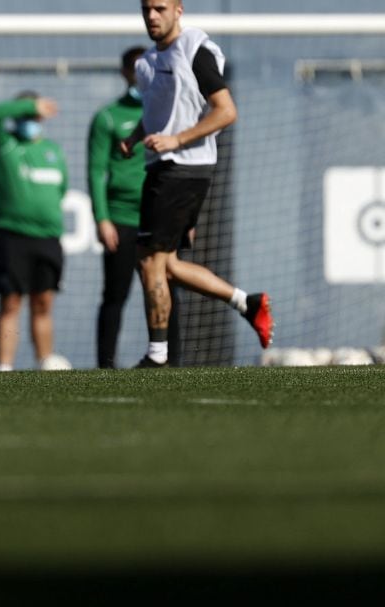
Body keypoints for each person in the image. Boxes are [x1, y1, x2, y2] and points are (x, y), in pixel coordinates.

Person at [121, 0, 273, 368]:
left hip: (185, 168)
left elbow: (226, 111)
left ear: (178, 9)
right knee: (167, 264)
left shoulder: (195, 50)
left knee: (150, 261)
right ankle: (246, 302)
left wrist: (177, 139)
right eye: (146, 9)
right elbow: (156, 114)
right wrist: (135, 136)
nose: (152, 16)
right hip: (162, 168)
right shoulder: (145, 64)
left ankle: (157, 356)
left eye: (160, 8)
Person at [89, 46, 183, 369]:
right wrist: (102, 218)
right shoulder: (108, 117)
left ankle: (171, 361)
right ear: (127, 74)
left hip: (159, 214)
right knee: (115, 296)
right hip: (121, 218)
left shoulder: (167, 112)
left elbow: (180, 164)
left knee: (165, 287)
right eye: (139, 70)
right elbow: (96, 171)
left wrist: (185, 216)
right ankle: (106, 365)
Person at [0, 92, 68, 371]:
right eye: (26, 116)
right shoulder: (6, 144)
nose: (31, 121)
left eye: (35, 117)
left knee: (43, 301)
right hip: (12, 235)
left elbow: (62, 189)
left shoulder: (53, 150)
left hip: (48, 236)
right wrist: (31, 104)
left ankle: (45, 360)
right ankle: (4, 365)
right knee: (11, 301)